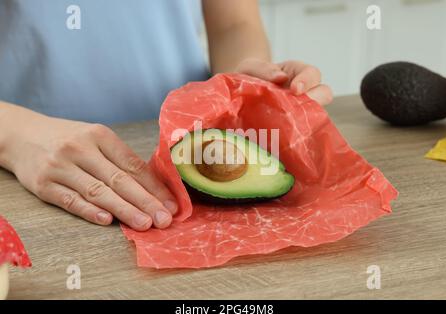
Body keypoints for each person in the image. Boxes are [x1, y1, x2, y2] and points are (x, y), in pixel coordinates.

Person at [0, 0, 332, 231]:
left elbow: (234, 24)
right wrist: (16, 136)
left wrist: (242, 87)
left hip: (188, 156)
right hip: (32, 172)